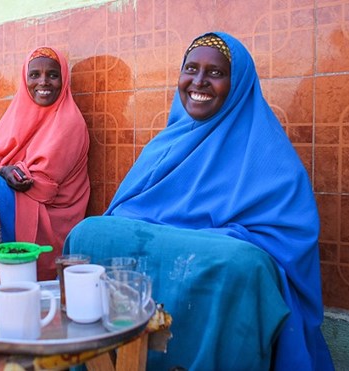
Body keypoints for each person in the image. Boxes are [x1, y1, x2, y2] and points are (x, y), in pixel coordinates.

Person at [64, 32, 334, 370]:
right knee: (88, 233)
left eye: (216, 73)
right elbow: (126, 212)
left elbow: (284, 244)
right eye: (191, 69)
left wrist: (220, 240)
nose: (199, 81)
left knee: (239, 263)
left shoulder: (269, 153)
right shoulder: (166, 146)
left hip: (220, 268)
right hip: (171, 254)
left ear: (238, 84)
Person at [0, 46, 90, 281]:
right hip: (21, 200)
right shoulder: (18, 113)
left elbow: (40, 186)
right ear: (25, 79)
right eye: (34, 75)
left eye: (52, 75)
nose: (44, 82)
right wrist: (3, 171)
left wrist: (2, 173)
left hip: (50, 216)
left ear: (64, 80)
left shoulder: (69, 122)